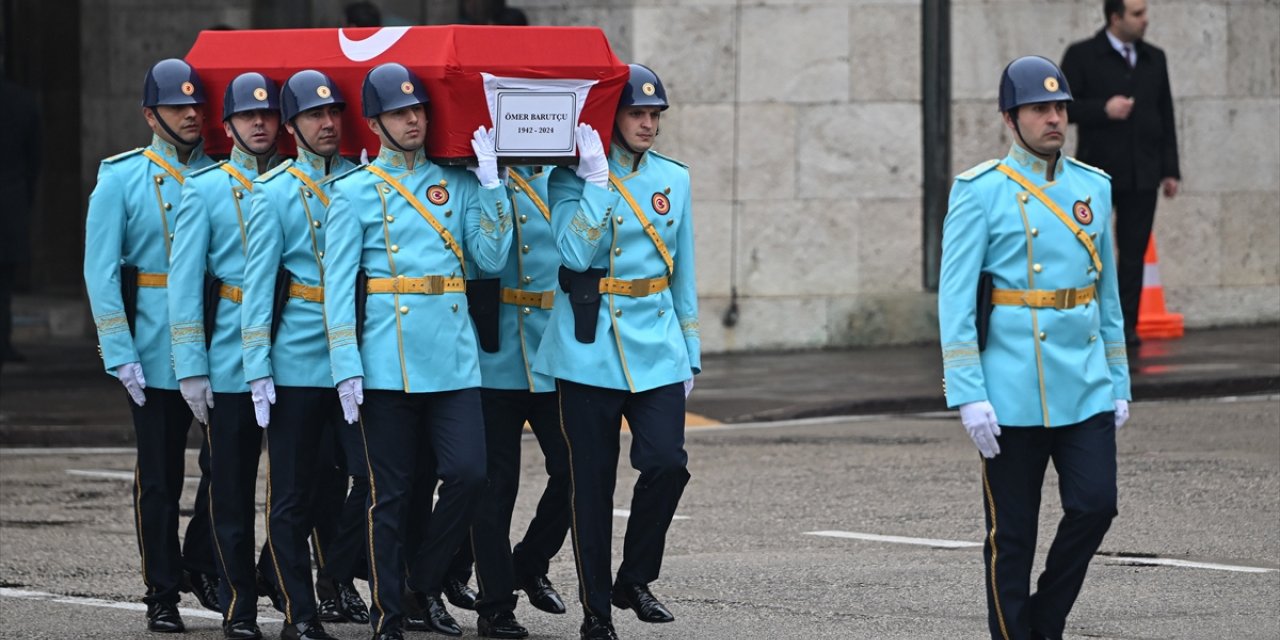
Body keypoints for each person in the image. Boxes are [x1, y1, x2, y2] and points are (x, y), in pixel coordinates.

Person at [937, 56, 1132, 640]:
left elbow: (1109, 297)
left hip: (1085, 382)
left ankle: (1045, 620)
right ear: (1009, 117)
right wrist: (967, 392)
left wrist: (1119, 381)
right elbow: (954, 301)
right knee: (1012, 537)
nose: (1054, 119)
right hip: (1012, 388)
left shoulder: (1093, 187)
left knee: (1096, 506)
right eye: (1040, 109)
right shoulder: (979, 191)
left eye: (1060, 108)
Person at [322, 61, 512, 640]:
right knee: (392, 495)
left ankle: (420, 585)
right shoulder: (353, 192)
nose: (414, 120)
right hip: (386, 359)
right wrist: (345, 364)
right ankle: (388, 614)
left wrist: (491, 187)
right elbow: (337, 289)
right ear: (376, 123)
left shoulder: (453, 183)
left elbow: (491, 260)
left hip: (452, 357)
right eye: (402, 113)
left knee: (469, 475)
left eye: (420, 110)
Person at [532, 63, 700, 640]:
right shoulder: (568, 179)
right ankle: (597, 613)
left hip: (657, 345)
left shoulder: (674, 178)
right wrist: (597, 185)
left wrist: (691, 348)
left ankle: (634, 577)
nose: (649, 124)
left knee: (666, 464)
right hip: (588, 350)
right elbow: (575, 255)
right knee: (593, 485)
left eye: (656, 115)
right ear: (611, 118)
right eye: (638, 113)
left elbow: (683, 272)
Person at [82, 57, 221, 633]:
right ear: (149, 115)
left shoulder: (220, 173)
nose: (191, 115)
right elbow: (100, 271)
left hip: (218, 342)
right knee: (160, 476)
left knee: (225, 467)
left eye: (196, 106)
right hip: (153, 346)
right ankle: (161, 591)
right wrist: (120, 350)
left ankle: (199, 557)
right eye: (176, 107)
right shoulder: (121, 177)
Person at [241, 68, 360, 640]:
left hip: (358, 359)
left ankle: (337, 577)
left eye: (334, 112)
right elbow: (258, 290)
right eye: (314, 115)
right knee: (291, 494)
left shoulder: (363, 182)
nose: (328, 123)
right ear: (291, 127)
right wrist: (257, 367)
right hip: (296, 360)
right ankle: (300, 612)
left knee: (367, 481)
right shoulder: (274, 194)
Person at [168, 71, 283, 640]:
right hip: (232, 356)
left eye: (267, 116)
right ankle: (238, 605)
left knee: (300, 484)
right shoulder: (206, 188)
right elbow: (184, 283)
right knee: (231, 487)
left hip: (294, 350)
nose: (259, 125)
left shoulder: (297, 182)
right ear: (229, 125)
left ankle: (288, 585)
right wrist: (191, 364)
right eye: (247, 117)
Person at [462, 162, 572, 639]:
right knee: (495, 486)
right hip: (498, 353)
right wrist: (491, 181)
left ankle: (529, 562)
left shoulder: (566, 176)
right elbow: (487, 257)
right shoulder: (480, 176)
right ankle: (495, 605)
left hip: (555, 350)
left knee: (576, 469)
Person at [1060, 0, 1180, 353]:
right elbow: (1063, 107)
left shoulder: (1154, 58)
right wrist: (1103, 109)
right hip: (1097, 172)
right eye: (1137, 14)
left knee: (1133, 254)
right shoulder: (1083, 55)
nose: (1145, 20)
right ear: (1116, 18)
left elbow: (1165, 114)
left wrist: (1170, 169)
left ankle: (1125, 329)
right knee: (1087, 250)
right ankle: (1083, 324)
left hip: (1143, 172)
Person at [0, 76, 40, 369]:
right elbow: (34, 159)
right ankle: (3, 341)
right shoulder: (22, 100)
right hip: (11, 199)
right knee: (4, 281)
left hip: (11, 197)